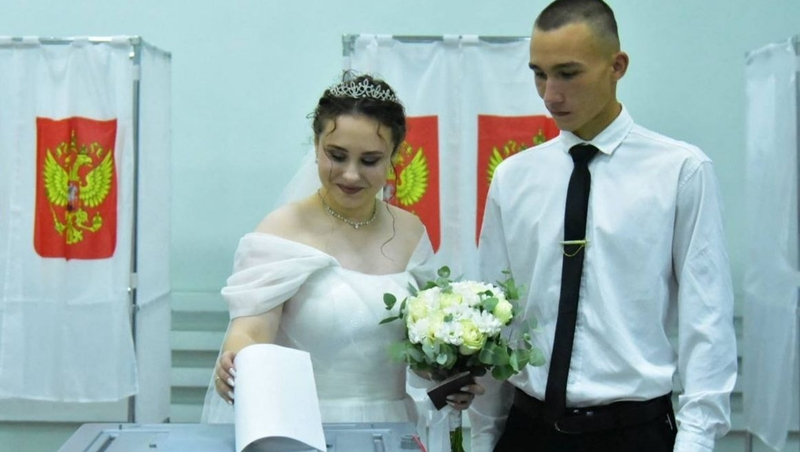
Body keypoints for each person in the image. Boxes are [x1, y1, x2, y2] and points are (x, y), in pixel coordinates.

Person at [469, 1, 737, 452]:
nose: (550, 95)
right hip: (527, 429)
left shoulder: (680, 171)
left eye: (568, 74)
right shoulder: (514, 177)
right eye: (539, 74)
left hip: (634, 433)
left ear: (617, 66)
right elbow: (497, 313)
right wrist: (483, 436)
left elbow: (706, 320)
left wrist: (696, 441)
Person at [200, 74, 481, 444]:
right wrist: (238, 360)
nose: (351, 174)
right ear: (316, 146)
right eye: (336, 156)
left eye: (370, 160)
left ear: (394, 156)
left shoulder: (410, 232)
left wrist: (450, 374)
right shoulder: (281, 230)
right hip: (304, 427)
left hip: (392, 426)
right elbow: (251, 330)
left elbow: (419, 351)